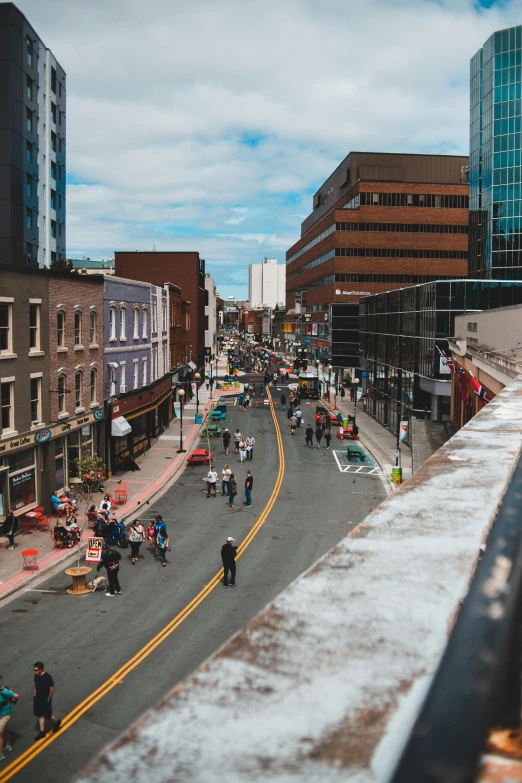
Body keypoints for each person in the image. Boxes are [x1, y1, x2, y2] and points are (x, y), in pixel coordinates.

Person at [33, 662, 61, 741]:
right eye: (34, 670)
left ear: (41, 669)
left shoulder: (47, 677)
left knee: (48, 716)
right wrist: (34, 694)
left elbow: (51, 689)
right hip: (38, 698)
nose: (34, 672)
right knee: (40, 714)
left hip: (45, 699)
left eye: (36, 670)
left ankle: (56, 723)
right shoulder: (36, 676)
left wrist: (48, 699)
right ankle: (42, 732)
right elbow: (35, 684)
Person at [0, 674, 18, 760]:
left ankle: (1, 754)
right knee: (5, 730)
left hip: (6, 714)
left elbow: (16, 696)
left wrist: (14, 702)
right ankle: (7, 746)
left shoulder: (4, 691)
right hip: (0, 714)